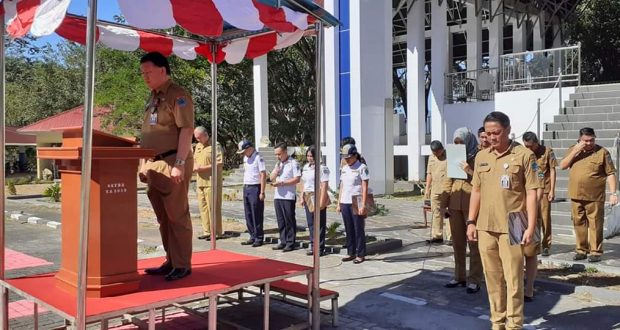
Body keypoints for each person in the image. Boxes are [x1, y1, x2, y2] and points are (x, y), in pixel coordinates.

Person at [467, 111, 539, 329]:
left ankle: (514, 325)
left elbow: (533, 192)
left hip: (514, 223)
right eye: (488, 133)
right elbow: (476, 191)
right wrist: (471, 221)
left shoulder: (525, 155)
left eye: (496, 133)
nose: (491, 137)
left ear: (507, 130)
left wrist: (531, 226)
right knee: (492, 278)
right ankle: (497, 323)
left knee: (514, 279)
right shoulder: (481, 156)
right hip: (486, 225)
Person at [139, 52, 194, 281]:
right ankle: (171, 261)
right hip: (154, 164)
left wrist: (180, 164)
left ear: (163, 70)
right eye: (142, 73)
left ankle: (182, 264)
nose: (145, 77)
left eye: (148, 72)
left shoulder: (177, 95)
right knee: (163, 217)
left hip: (172, 161)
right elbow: (148, 134)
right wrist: (143, 165)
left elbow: (187, 129)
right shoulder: (152, 98)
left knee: (177, 216)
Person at [559, 127, 618, 263]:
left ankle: (595, 251)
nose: (589, 143)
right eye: (585, 141)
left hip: (594, 196)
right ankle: (581, 250)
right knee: (578, 223)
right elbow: (562, 165)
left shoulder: (602, 152)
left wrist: (613, 193)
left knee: (595, 224)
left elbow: (610, 173)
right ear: (579, 140)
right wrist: (575, 151)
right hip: (576, 195)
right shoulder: (573, 149)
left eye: (591, 140)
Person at [440, 128, 482, 294]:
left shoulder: (479, 155)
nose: (458, 145)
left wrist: (469, 170)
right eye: (456, 142)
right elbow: (448, 180)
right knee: (457, 243)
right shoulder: (454, 155)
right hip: (455, 204)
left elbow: (482, 181)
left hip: (472, 203)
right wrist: (443, 205)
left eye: (461, 142)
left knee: (474, 243)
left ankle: (474, 279)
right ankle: (459, 276)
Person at [522, 131, 556, 257]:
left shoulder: (547, 151)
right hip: (529, 190)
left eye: (531, 146)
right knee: (532, 218)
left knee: (545, 218)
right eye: (527, 146)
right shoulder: (524, 153)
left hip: (545, 189)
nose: (529, 149)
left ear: (536, 142)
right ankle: (534, 244)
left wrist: (552, 190)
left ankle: (546, 244)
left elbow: (552, 170)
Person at [337, 144, 369, 264]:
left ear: (355, 155)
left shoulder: (362, 167)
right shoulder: (344, 168)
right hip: (345, 201)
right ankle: (351, 252)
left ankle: (360, 254)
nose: (347, 160)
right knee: (348, 228)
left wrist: (363, 205)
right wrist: (339, 203)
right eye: (345, 158)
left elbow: (365, 187)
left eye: (349, 157)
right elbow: (342, 186)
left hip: (356, 200)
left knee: (358, 228)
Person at [270, 143, 302, 252]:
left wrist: (282, 183)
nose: (277, 156)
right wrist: (275, 172)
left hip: (288, 196)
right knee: (281, 220)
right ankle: (283, 241)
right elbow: (271, 178)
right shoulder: (278, 164)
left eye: (279, 154)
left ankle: (290, 242)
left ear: (285, 152)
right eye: (276, 154)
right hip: (278, 195)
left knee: (289, 219)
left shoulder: (293, 163)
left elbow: (297, 179)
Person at [193, 126, 223, 240]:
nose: (198, 140)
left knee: (213, 207)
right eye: (196, 138)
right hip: (200, 181)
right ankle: (207, 231)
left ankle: (216, 232)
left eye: (199, 138)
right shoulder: (198, 146)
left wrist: (202, 168)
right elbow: (195, 160)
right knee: (203, 207)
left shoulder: (215, 145)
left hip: (211, 181)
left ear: (206, 135)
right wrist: (195, 166)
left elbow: (219, 163)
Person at [300, 146, 330, 256]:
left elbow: (324, 185)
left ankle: (320, 247)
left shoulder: (322, 168)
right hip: (308, 196)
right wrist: (301, 196)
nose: (309, 158)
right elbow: (303, 183)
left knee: (319, 223)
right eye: (308, 156)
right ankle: (313, 246)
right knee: (311, 223)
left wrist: (322, 202)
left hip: (317, 195)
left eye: (311, 156)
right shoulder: (306, 167)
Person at [238, 140, 267, 247]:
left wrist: (262, 191)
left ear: (250, 148)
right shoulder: (246, 158)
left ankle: (259, 237)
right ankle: (252, 235)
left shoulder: (258, 157)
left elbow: (263, 175)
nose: (243, 153)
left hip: (256, 187)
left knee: (256, 213)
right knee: (248, 213)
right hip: (247, 186)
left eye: (244, 151)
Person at [425, 140, 451, 244]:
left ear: (442, 149)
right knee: (436, 212)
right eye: (434, 153)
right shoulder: (431, 157)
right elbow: (429, 173)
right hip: (435, 189)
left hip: (447, 189)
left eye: (437, 153)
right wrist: (427, 188)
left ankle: (451, 237)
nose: (435, 155)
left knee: (448, 213)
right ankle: (437, 235)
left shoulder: (449, 156)